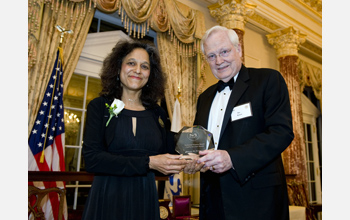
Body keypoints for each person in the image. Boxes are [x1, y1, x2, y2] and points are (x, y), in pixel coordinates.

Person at [192, 25, 294, 219]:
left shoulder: (268, 80)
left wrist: (232, 158)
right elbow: (201, 142)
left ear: (238, 49)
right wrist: (192, 158)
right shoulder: (204, 98)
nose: (219, 61)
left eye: (224, 51)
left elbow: (281, 132)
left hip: (257, 201)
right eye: (211, 56)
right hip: (213, 202)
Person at [81, 40, 188, 220]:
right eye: (131, 63)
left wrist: (189, 160)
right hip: (107, 196)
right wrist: (148, 163)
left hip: (145, 198)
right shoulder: (100, 107)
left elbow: (168, 156)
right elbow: (92, 160)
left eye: (144, 66)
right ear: (118, 68)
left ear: (150, 75)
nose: (137, 70)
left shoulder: (158, 114)